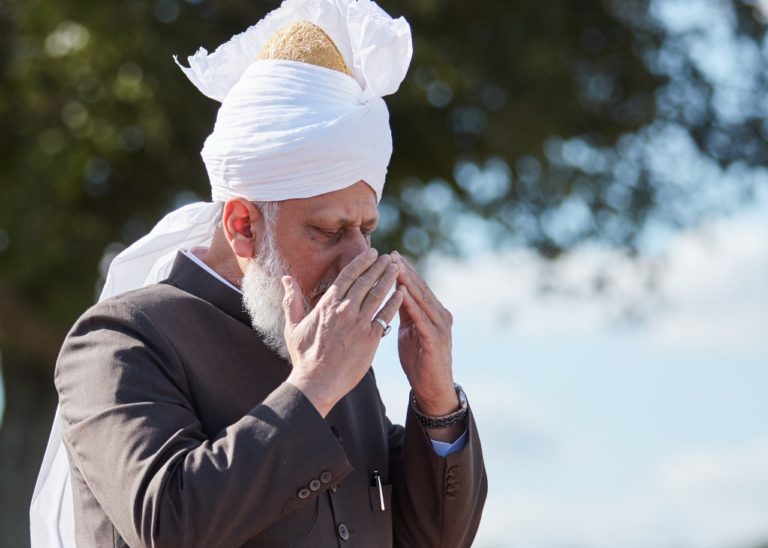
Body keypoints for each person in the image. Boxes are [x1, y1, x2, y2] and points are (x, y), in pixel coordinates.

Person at [30, 0, 487, 546]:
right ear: (243, 224)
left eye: (366, 229)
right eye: (329, 231)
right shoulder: (120, 340)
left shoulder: (335, 356)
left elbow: (430, 539)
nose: (359, 260)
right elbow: (167, 524)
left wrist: (437, 403)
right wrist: (313, 387)